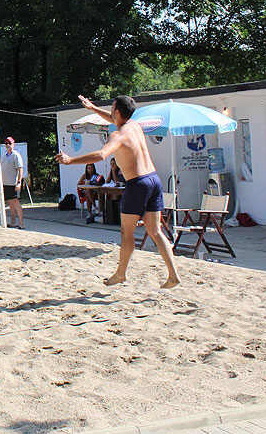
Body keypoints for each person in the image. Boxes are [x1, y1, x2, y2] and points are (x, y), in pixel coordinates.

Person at [56, 95, 181, 289]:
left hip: (137, 184)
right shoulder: (135, 126)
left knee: (126, 232)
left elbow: (101, 155)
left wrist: (71, 160)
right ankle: (173, 276)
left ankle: (121, 273)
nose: (111, 111)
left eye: (112, 108)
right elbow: (114, 119)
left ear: (117, 112)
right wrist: (93, 108)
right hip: (153, 180)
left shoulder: (118, 135)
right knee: (155, 231)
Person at [1, 137, 25, 228]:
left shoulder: (16, 155)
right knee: (10, 202)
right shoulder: (5, 155)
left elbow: (20, 169)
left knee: (15, 201)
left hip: (13, 183)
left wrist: (19, 182)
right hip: (6, 183)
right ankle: (13, 222)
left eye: (9, 143)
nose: (7, 145)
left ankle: (21, 223)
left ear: (13, 144)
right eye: (6, 143)